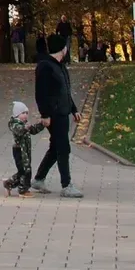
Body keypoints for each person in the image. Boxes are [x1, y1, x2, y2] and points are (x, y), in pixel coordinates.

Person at [33, 33, 83, 197]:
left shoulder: (60, 66)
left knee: (56, 147)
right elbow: (41, 93)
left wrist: (74, 109)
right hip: (54, 114)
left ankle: (39, 178)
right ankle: (66, 184)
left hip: (63, 111)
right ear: (63, 49)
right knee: (62, 147)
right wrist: (45, 114)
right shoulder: (45, 67)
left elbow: (65, 91)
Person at [3, 100, 48, 196]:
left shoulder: (25, 124)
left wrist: (41, 125)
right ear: (17, 114)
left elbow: (34, 130)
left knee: (23, 170)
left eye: (27, 113)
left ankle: (9, 183)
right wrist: (26, 128)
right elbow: (19, 130)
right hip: (19, 150)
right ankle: (23, 190)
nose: (25, 115)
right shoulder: (14, 124)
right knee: (25, 170)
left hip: (26, 150)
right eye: (23, 113)